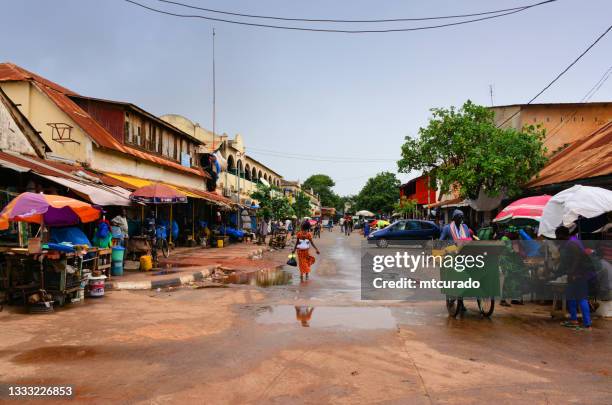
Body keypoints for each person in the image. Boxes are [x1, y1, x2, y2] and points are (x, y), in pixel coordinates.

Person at [556, 226, 592, 331]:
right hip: (576, 274)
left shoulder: (572, 243)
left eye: (558, 236)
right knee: (571, 296)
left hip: (579, 275)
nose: (557, 238)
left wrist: (572, 272)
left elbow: (577, 258)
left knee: (581, 298)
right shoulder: (571, 242)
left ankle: (587, 323)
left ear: (562, 235)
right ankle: (573, 319)